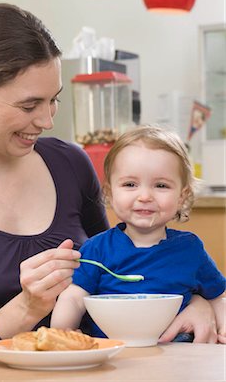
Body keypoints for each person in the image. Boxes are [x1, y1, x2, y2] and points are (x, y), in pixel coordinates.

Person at [0, 5, 218, 347]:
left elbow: (122, 274)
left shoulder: (69, 164)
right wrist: (27, 307)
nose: (47, 121)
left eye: (54, 101)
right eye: (29, 105)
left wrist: (198, 303)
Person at [51, 125, 226, 343]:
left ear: (182, 197)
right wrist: (61, 332)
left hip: (179, 355)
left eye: (161, 185)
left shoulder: (190, 249)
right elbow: (75, 298)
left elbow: (218, 297)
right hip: (114, 357)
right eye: (130, 184)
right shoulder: (97, 249)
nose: (145, 196)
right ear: (110, 193)